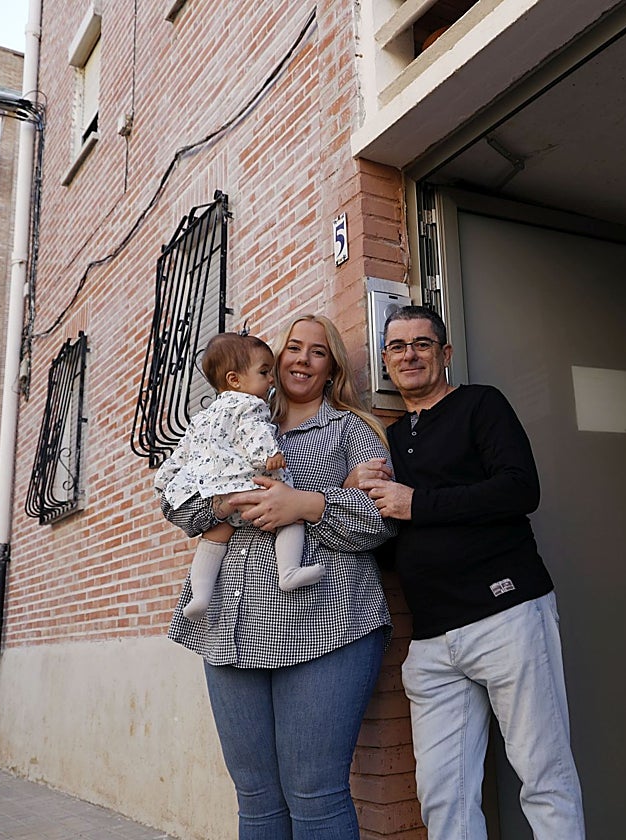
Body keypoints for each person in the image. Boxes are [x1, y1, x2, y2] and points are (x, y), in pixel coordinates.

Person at [355, 305, 585, 839]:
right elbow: (390, 540)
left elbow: (519, 489)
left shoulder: (481, 404)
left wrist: (418, 503)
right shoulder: (387, 441)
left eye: (421, 343)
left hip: (507, 616)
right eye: (397, 346)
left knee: (543, 774)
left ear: (445, 354)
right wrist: (352, 492)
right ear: (386, 360)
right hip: (433, 642)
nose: (409, 354)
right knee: (443, 797)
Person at [161, 314, 395, 839]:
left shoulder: (350, 431)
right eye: (294, 347)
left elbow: (379, 522)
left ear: (332, 366)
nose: (302, 359)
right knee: (257, 798)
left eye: (318, 351)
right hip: (229, 623)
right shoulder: (223, 418)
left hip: (326, 624)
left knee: (314, 793)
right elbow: (174, 497)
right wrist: (221, 502)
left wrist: (306, 503)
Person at [155, 332, 323, 622]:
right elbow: (254, 431)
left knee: (214, 538)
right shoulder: (251, 404)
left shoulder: (202, 417)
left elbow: (183, 453)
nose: (271, 379)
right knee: (290, 518)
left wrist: (164, 479)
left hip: (215, 491)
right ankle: (289, 571)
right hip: (248, 484)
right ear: (235, 380)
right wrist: (267, 454)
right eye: (263, 372)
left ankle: (201, 597)